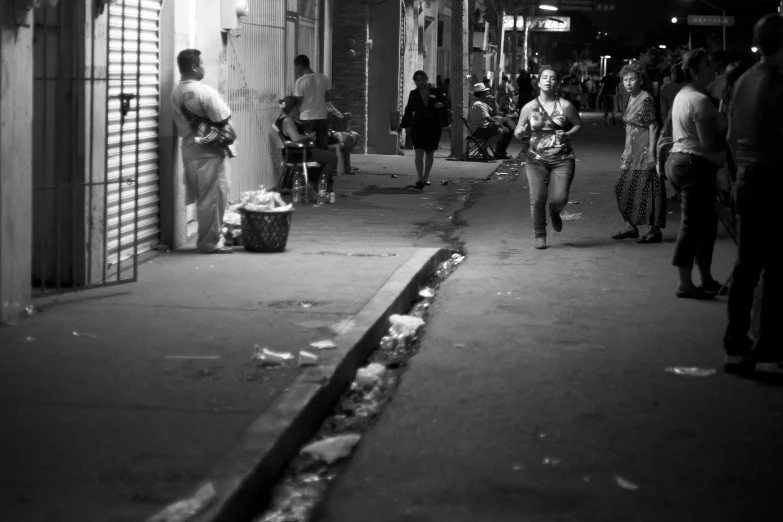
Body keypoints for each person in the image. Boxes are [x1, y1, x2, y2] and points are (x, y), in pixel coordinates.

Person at [723, 14, 783, 376]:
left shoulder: (743, 80)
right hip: (773, 182)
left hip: (746, 179)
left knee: (747, 266)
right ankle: (769, 351)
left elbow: (730, 136)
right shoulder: (778, 84)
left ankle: (736, 347)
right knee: (776, 270)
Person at [666, 49, 726, 300]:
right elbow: (708, 143)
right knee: (692, 225)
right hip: (694, 164)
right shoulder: (698, 100)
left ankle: (706, 278)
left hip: (683, 161)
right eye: (708, 65)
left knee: (707, 224)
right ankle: (685, 283)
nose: (714, 69)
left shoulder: (686, 95)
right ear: (694, 71)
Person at [170, 49, 234, 254]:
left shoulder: (175, 92)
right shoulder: (204, 91)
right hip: (210, 151)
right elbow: (222, 116)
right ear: (195, 67)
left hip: (189, 150)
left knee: (204, 198)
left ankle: (211, 239)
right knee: (214, 198)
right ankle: (209, 242)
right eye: (203, 63)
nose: (204, 67)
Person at [514, 66, 583, 250]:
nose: (548, 80)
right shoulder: (529, 107)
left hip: (563, 158)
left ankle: (554, 211)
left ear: (558, 83)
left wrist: (568, 134)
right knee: (538, 198)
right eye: (544, 77)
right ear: (538, 82)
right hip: (536, 159)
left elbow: (578, 124)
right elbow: (518, 132)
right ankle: (540, 234)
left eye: (552, 78)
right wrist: (520, 132)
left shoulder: (566, 105)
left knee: (560, 198)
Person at [612, 63, 664, 244]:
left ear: (640, 80)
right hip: (631, 151)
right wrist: (626, 150)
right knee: (622, 187)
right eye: (625, 80)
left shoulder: (645, 98)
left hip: (643, 151)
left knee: (648, 191)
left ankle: (654, 231)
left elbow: (653, 126)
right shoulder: (631, 98)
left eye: (632, 79)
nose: (628, 83)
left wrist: (651, 153)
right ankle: (630, 226)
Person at [277, 95, 338, 200]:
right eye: (298, 107)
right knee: (332, 158)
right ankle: (320, 187)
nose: (300, 110)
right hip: (298, 154)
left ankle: (317, 186)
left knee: (327, 156)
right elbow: (295, 138)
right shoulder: (287, 121)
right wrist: (308, 137)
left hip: (299, 152)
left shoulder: (285, 119)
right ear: (294, 108)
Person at [399, 70, 449, 189]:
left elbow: (447, 102)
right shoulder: (414, 94)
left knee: (430, 152)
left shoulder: (437, 91)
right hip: (418, 126)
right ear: (415, 82)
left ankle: (426, 177)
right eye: (417, 80)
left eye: (422, 79)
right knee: (419, 151)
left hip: (433, 125)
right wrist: (403, 126)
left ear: (426, 79)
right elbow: (409, 111)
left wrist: (441, 105)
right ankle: (420, 178)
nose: (420, 82)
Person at [293, 54, 333, 151]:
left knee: (310, 149)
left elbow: (298, 101)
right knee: (322, 147)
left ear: (299, 66)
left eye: (295, 67)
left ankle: (312, 165)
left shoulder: (300, 81)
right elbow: (331, 97)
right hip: (322, 117)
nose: (295, 70)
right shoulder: (324, 78)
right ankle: (324, 164)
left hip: (307, 118)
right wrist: (319, 98)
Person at [467, 83, 513, 160]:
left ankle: (499, 150)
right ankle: (484, 148)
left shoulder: (482, 103)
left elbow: (494, 113)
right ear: (482, 94)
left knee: (505, 124)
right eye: (485, 93)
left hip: (483, 127)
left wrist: (494, 102)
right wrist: (498, 123)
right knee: (501, 131)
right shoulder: (478, 104)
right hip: (478, 130)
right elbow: (488, 118)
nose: (487, 95)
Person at [326, 102, 360, 175]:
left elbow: (340, 115)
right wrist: (341, 117)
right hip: (331, 132)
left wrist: (341, 116)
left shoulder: (329, 104)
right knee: (349, 138)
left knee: (356, 135)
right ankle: (346, 168)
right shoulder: (321, 105)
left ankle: (345, 164)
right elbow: (332, 116)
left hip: (339, 131)